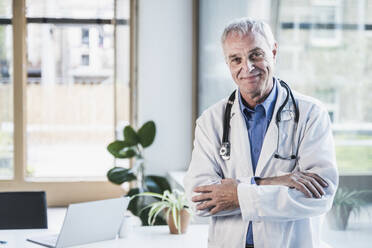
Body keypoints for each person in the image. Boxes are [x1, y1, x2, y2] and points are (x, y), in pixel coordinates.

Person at [184, 17, 339, 248]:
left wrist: (235, 195)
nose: (247, 67)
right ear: (227, 63)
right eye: (236, 59)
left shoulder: (310, 114)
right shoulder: (211, 121)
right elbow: (200, 201)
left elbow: (319, 196)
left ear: (273, 51)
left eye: (256, 54)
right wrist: (272, 182)